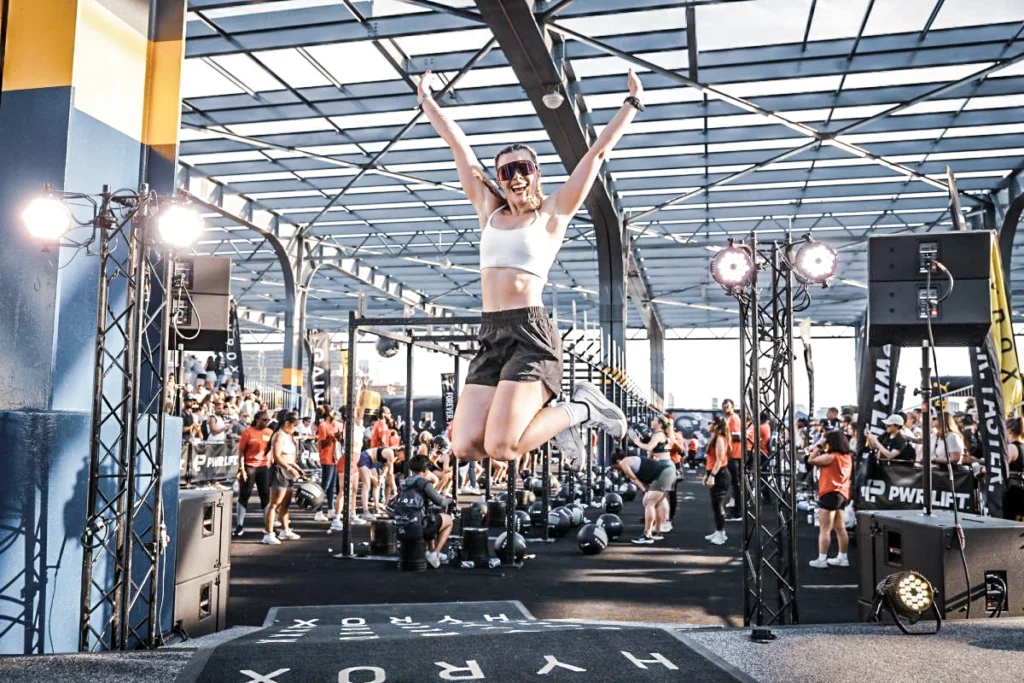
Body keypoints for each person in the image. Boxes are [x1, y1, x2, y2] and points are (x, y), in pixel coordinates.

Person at [419, 68, 642, 473]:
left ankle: (579, 409)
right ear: (499, 180)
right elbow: (458, 144)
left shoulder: (553, 211)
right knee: (466, 446)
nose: (516, 176)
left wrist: (631, 105)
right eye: (506, 171)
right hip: (491, 330)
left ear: (536, 173)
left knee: (503, 448)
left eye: (523, 167)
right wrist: (427, 101)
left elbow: (596, 156)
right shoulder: (489, 210)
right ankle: (565, 417)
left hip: (530, 333)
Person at [392, 455, 453, 569]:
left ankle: (431, 551)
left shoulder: (403, 483)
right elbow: (440, 502)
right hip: (417, 527)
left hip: (400, 527)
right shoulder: (423, 482)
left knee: (429, 517)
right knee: (448, 521)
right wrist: (451, 500)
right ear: (425, 470)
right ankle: (435, 553)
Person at [806, 429, 852, 568]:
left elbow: (810, 460)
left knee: (824, 529)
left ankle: (821, 559)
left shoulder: (831, 457)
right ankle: (843, 557)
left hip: (829, 493)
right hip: (841, 494)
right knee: (840, 528)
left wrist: (819, 444)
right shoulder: (847, 457)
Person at [612, 449, 677, 545]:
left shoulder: (624, 462)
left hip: (664, 474)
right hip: (669, 472)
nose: (617, 469)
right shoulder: (633, 460)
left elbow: (633, 478)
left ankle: (647, 535)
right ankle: (657, 532)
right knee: (656, 503)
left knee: (649, 503)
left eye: (615, 467)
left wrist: (644, 490)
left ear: (617, 462)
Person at [628, 415, 676, 532]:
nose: (652, 421)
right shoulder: (662, 435)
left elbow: (649, 447)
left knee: (650, 501)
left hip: (664, 467)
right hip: (664, 466)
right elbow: (652, 452)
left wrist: (637, 442)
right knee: (659, 500)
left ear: (659, 423)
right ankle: (660, 526)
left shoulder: (658, 435)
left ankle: (652, 530)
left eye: (654, 420)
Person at [263, 412, 304, 545]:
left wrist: (296, 467)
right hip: (279, 472)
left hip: (288, 471)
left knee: (286, 504)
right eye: (294, 426)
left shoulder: (288, 436)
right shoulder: (279, 435)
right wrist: (289, 468)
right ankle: (268, 533)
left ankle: (285, 530)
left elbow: (290, 457)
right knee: (274, 504)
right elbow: (277, 456)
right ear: (286, 424)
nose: (295, 429)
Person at [235, 412, 273, 537]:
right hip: (249, 466)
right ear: (257, 420)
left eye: (268, 420)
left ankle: (269, 526)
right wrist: (242, 469)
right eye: (264, 419)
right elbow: (241, 452)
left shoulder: (269, 432)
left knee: (265, 496)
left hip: (263, 467)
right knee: (244, 495)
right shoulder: (248, 432)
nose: (266, 422)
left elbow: (271, 450)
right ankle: (239, 525)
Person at [703, 417, 731, 546]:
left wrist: (712, 475)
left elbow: (720, 460)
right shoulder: (714, 438)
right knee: (715, 505)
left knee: (718, 505)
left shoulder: (720, 438)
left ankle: (720, 534)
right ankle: (719, 531)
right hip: (714, 473)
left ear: (716, 425)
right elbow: (711, 459)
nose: (708, 424)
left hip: (720, 475)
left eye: (710, 422)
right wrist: (706, 474)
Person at [358, 436, 396, 519]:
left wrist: (381, 476)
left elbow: (386, 468)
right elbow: (390, 473)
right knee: (366, 485)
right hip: (365, 457)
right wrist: (395, 488)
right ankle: (365, 511)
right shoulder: (391, 453)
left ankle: (377, 507)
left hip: (371, 461)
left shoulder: (392, 456)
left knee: (377, 484)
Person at [315, 409, 342, 523]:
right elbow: (322, 444)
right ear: (328, 414)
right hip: (326, 457)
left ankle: (331, 509)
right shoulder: (323, 426)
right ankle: (318, 510)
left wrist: (338, 436)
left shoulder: (333, 425)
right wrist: (332, 437)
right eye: (333, 413)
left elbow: (338, 440)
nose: (335, 415)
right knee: (325, 485)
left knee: (332, 486)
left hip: (334, 457)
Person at [721, 399, 743, 520]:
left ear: (732, 406)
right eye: (724, 407)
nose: (725, 408)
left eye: (727, 406)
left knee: (736, 484)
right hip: (732, 454)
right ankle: (736, 510)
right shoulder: (730, 418)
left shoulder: (734, 418)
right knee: (735, 484)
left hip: (735, 454)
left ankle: (737, 512)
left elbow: (738, 436)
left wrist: (724, 435)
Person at [1004, 418, 1024, 521]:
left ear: (1010, 430)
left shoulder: (1011, 447)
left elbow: (1000, 466)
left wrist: (981, 470)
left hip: (1013, 492)